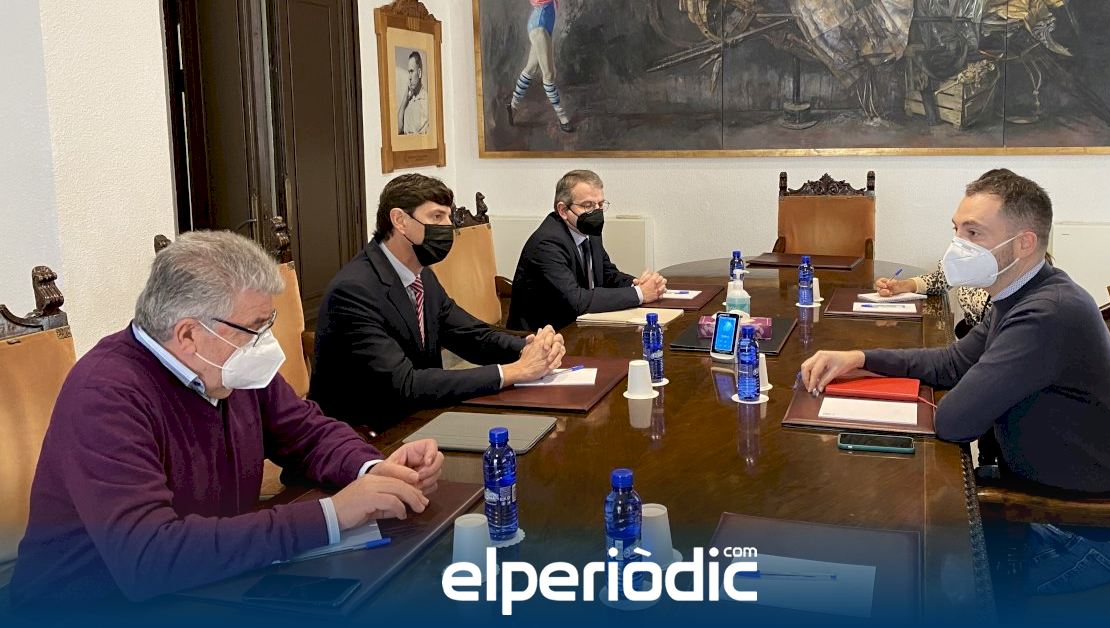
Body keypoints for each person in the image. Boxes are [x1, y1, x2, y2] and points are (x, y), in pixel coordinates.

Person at [11, 231, 445, 606]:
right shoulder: (105, 395)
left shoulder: (225, 365)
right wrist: (330, 515)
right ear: (188, 334)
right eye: (255, 328)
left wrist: (373, 471)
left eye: (269, 323)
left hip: (215, 583)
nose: (266, 344)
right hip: (96, 606)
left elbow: (308, 433)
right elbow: (150, 558)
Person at [801, 170, 1110, 595]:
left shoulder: (1046, 313)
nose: (958, 245)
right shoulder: (1017, 293)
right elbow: (953, 361)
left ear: (1024, 243)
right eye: (957, 230)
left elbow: (955, 421)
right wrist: (859, 358)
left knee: (915, 581)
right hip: (1037, 497)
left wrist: (965, 388)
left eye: (974, 233)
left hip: (1078, 534)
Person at [309, 174, 566, 429]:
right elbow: (404, 383)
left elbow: (469, 335)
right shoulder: (354, 290)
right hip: (367, 435)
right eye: (436, 217)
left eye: (448, 217)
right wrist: (513, 372)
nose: (448, 227)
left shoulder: (422, 275)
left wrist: (529, 347)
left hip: (421, 416)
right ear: (400, 220)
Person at [508, 169, 668, 331]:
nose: (596, 212)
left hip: (580, 327)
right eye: (588, 206)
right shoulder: (547, 243)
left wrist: (638, 284)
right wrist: (640, 294)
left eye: (600, 204)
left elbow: (608, 275)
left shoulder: (588, 231)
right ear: (563, 210)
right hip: (542, 336)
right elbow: (576, 300)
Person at [506, 0, 573, 132]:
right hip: (539, 26)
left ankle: (513, 107)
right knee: (549, 74)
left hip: (543, 23)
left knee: (530, 69)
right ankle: (562, 117)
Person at [875, 262, 991, 338]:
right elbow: (942, 279)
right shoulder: (973, 253)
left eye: (973, 233)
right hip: (972, 342)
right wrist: (901, 286)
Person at [399, 51, 429, 135]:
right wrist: (405, 99)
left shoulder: (426, 101)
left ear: (419, 73)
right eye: (409, 72)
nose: (409, 77)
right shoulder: (409, 101)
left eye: (412, 71)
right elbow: (397, 129)